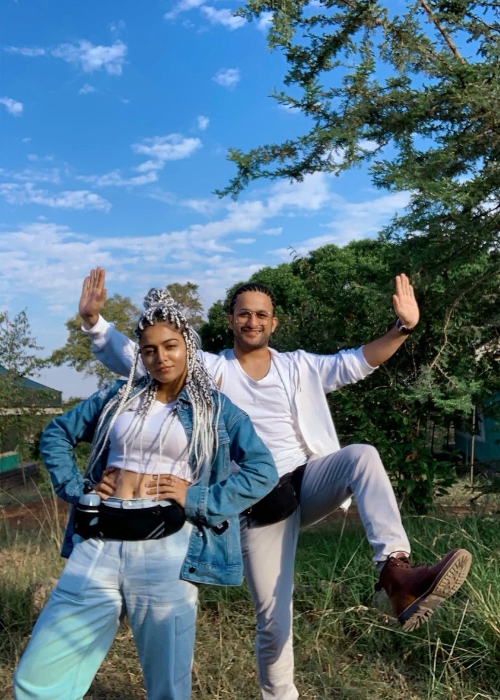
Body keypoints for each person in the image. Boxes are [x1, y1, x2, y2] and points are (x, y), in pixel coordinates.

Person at [79, 269, 472, 700]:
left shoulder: (298, 366)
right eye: (243, 314)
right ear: (230, 320)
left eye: (261, 315)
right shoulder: (207, 369)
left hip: (306, 481)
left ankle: (396, 573)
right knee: (273, 619)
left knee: (363, 455)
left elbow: (357, 362)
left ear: (273, 322)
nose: (252, 322)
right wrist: (96, 324)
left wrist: (403, 327)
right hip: (255, 502)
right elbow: (142, 358)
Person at [13, 286, 278, 700]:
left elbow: (263, 470)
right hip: (98, 537)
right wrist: (77, 488)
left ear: (188, 346)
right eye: (150, 350)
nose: (161, 358)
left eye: (171, 346)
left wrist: (197, 498)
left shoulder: (215, 409)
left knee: (167, 689)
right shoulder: (118, 397)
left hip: (166, 548)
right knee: (38, 678)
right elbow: (57, 434)